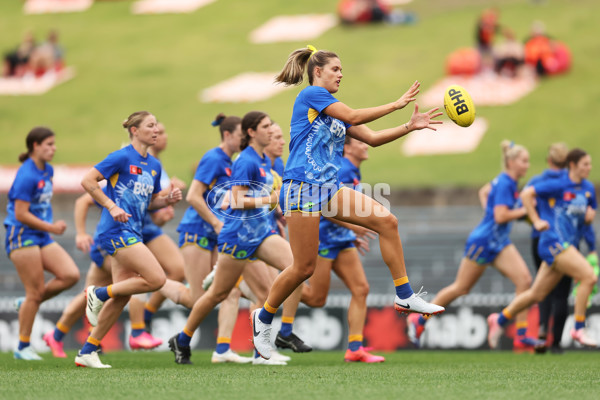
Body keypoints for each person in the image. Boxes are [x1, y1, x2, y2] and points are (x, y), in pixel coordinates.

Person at [250, 45, 444, 360]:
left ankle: (405, 295)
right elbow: (353, 115)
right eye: (335, 69)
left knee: (387, 222)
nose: (340, 74)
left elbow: (373, 138)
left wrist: (409, 126)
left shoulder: (332, 110)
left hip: (328, 188)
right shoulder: (311, 96)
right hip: (301, 187)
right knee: (303, 268)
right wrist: (397, 104)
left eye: (341, 70)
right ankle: (264, 316)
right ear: (317, 72)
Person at [168, 111, 304, 365]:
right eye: (265, 127)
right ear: (252, 133)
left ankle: (267, 347)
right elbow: (236, 200)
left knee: (297, 268)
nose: (271, 132)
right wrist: (270, 200)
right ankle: (183, 339)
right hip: (238, 237)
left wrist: (277, 211)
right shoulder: (246, 161)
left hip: (260, 234)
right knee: (217, 294)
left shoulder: (264, 161)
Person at [76, 111, 182, 368]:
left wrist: (166, 201)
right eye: (150, 125)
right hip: (115, 231)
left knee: (122, 296)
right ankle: (98, 293)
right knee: (156, 279)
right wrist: (111, 207)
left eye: (157, 125)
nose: (156, 130)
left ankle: (87, 351)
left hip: (133, 231)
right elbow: (87, 181)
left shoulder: (155, 166)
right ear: (134, 130)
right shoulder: (122, 157)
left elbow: (149, 203)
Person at [407, 141, 539, 349]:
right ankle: (420, 319)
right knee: (461, 288)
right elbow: (500, 215)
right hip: (484, 242)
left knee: (524, 280)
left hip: (499, 242)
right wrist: (527, 212)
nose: (527, 165)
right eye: (524, 161)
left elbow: (483, 192)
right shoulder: (505, 182)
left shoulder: (507, 182)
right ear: (511, 162)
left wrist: (492, 212)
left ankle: (521, 334)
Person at [488, 148, 598, 349]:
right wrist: (536, 220)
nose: (589, 168)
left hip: (567, 245)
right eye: (585, 164)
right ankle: (579, 328)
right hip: (553, 242)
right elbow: (527, 193)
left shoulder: (588, 188)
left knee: (536, 295)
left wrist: (589, 220)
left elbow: (581, 218)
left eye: (590, 164)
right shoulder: (559, 183)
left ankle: (500, 320)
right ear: (572, 165)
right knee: (589, 276)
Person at [175, 113, 252, 364]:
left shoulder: (233, 162)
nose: (244, 141)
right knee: (196, 299)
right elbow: (193, 196)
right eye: (241, 136)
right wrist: (217, 222)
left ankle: (222, 350)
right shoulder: (213, 158)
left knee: (229, 291)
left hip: (217, 235)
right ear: (227, 135)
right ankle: (154, 282)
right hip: (197, 232)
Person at [302, 136, 383, 362]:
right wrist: (353, 227)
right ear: (347, 147)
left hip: (341, 241)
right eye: (360, 142)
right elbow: (326, 208)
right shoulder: (345, 170)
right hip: (325, 240)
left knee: (361, 289)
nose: (366, 145)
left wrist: (350, 233)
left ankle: (355, 348)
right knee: (316, 299)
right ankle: (273, 290)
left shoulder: (352, 171)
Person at [4, 127, 80, 360]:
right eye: (48, 144)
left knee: (70, 275)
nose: (53, 148)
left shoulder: (47, 170)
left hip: (40, 234)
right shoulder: (26, 175)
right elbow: (21, 214)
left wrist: (47, 227)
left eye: (54, 144)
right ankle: (23, 347)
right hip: (22, 234)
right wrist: (51, 227)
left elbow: (42, 203)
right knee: (34, 292)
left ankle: (27, 302)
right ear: (35, 146)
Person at [523, 143, 570, 353]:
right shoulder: (570, 182)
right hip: (564, 240)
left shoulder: (537, 181)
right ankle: (557, 343)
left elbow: (522, 205)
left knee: (542, 289)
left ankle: (541, 331)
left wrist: (534, 220)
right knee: (561, 293)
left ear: (549, 160)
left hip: (539, 239)